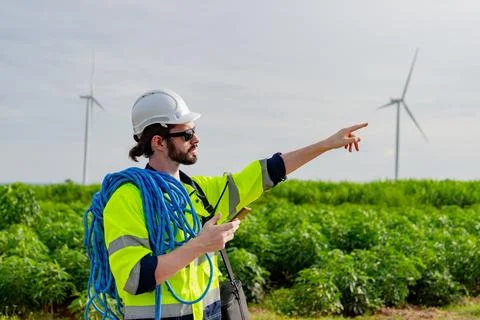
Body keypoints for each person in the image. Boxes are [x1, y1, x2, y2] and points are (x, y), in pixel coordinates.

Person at [102, 88, 367, 320]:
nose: (196, 139)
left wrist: (326, 144)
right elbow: (135, 278)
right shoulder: (127, 199)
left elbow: (267, 172)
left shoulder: (201, 191)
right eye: (187, 134)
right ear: (159, 142)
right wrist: (200, 245)